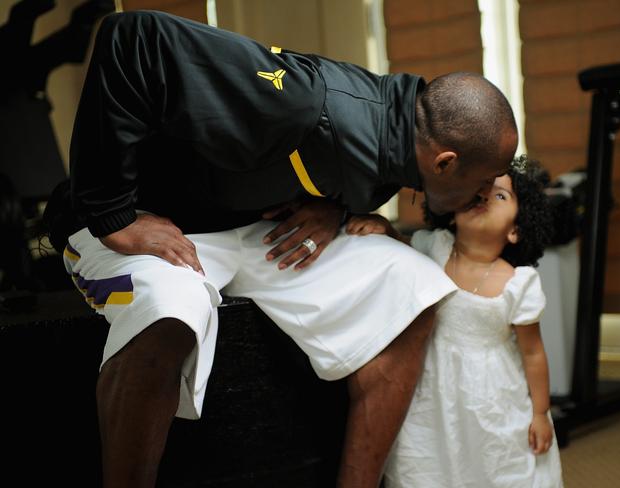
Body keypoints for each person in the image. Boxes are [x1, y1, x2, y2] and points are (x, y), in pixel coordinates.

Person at [45, 9, 519, 488]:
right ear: (445, 162)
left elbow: (331, 164)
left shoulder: (402, 141)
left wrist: (331, 209)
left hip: (255, 230)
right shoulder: (299, 100)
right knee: (171, 311)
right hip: (147, 221)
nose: (485, 194)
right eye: (483, 183)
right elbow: (134, 36)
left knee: (414, 285)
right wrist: (112, 214)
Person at [346, 155, 564, 487]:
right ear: (451, 211)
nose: (485, 197)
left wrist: (539, 413)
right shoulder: (436, 247)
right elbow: (401, 246)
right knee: (428, 459)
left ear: (516, 231)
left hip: (493, 396)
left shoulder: (519, 283)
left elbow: (533, 353)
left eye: (500, 195)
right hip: (432, 385)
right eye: (478, 191)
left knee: (493, 461)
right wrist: (384, 228)